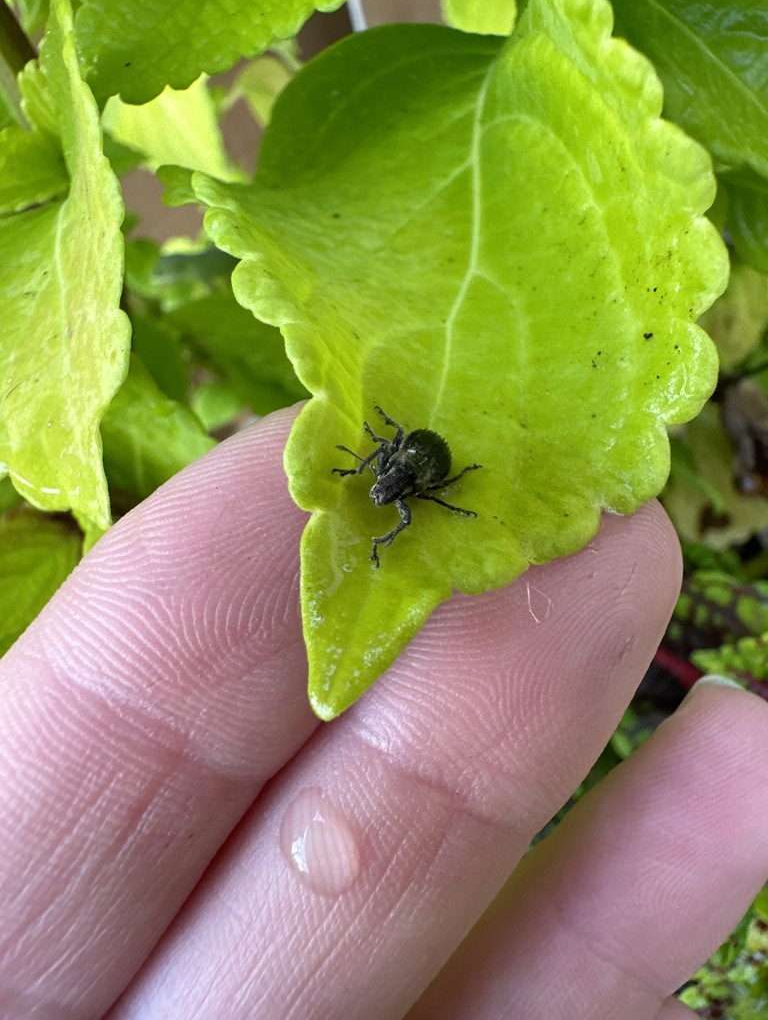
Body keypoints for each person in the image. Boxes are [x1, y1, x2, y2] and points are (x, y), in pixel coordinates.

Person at [1, 405, 767, 1020]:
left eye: (383, 483)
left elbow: (409, 459)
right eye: (380, 479)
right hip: (424, 449)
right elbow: (399, 463)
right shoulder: (392, 478)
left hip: (427, 447)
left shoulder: (404, 479)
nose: (382, 489)